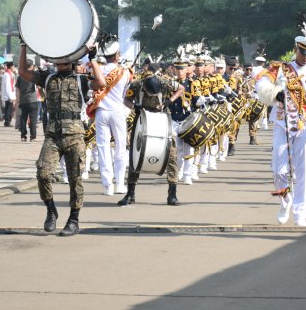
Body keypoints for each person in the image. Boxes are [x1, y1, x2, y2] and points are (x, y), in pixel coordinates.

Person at [19, 43, 106, 236]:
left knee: (76, 180)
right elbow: (24, 72)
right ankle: (51, 210)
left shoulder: (81, 80)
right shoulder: (48, 77)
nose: (62, 62)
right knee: (43, 173)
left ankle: (74, 220)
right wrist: (24, 47)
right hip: (53, 135)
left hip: (75, 135)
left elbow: (101, 83)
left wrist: (92, 58)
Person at [256, 35, 306, 227]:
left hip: (305, 125)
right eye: (303, 52)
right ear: (296, 50)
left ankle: (300, 213)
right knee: (278, 170)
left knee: (302, 171)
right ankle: (285, 201)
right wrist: (275, 94)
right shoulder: (280, 68)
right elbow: (261, 84)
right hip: (283, 123)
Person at [118, 63, 184, 206]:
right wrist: (134, 106)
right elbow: (125, 99)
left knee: (172, 156)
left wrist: (169, 101)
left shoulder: (165, 82)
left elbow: (181, 88)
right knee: (135, 157)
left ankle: (172, 194)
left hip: (163, 120)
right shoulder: (136, 85)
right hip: (142, 120)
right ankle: (130, 194)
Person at [89, 41, 132, 196]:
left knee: (103, 148)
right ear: (117, 56)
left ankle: (108, 185)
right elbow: (128, 92)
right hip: (118, 111)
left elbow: (93, 86)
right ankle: (120, 184)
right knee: (121, 147)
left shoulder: (98, 71)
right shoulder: (125, 72)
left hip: (101, 111)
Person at [16, 59, 39, 142]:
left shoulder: (20, 76)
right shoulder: (34, 75)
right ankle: (33, 136)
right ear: (32, 66)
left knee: (23, 118)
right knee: (33, 119)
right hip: (32, 99)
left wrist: (18, 100)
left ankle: (23, 135)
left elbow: (18, 89)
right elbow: (38, 86)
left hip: (23, 100)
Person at [1, 61, 17, 127]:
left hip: (9, 94)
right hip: (8, 95)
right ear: (11, 67)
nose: (14, 68)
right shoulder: (7, 75)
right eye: (13, 66)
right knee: (8, 109)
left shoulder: (9, 74)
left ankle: (8, 121)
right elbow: (8, 86)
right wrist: (10, 96)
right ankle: (7, 121)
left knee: (9, 108)